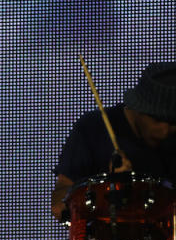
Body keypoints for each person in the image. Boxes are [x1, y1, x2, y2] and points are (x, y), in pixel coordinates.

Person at [51, 61, 176, 220]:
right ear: (138, 108)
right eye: (157, 120)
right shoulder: (93, 128)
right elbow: (58, 203)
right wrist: (107, 189)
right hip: (102, 239)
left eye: (173, 123)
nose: (164, 132)